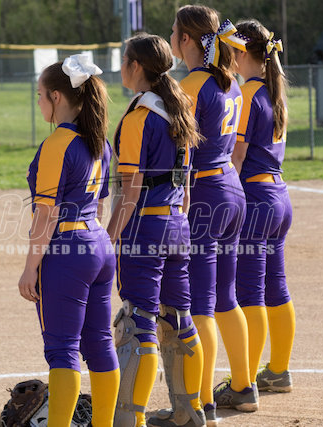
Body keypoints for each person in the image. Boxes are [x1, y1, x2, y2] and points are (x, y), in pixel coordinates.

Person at [106, 34, 205, 427]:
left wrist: (108, 238)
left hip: (144, 227)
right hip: (177, 225)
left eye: (123, 60)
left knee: (137, 322)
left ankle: (128, 419)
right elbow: (185, 186)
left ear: (137, 66)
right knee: (177, 319)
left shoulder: (139, 118)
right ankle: (189, 411)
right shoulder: (179, 109)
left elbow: (130, 191)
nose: (120, 67)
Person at [17, 54, 119, 427]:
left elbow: (46, 215)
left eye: (40, 95)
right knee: (100, 344)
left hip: (67, 251)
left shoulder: (58, 143)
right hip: (97, 244)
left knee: (63, 351)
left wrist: (30, 268)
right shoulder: (100, 141)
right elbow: (100, 206)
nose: (38, 102)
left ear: (57, 97)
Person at [170, 5, 256, 424]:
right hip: (232, 188)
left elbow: (181, 150)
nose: (171, 37)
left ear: (187, 39)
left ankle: (201, 403)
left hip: (204, 192)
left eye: (174, 31)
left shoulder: (190, 84)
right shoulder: (231, 81)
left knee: (200, 305)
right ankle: (244, 385)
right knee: (226, 297)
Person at [230, 19, 296, 395]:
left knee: (249, 293)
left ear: (242, 53)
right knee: (276, 287)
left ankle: (247, 380)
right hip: (279, 198)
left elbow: (237, 157)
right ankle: (279, 370)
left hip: (255, 200)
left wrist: (227, 200)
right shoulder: (273, 92)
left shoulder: (247, 94)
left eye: (231, 50)